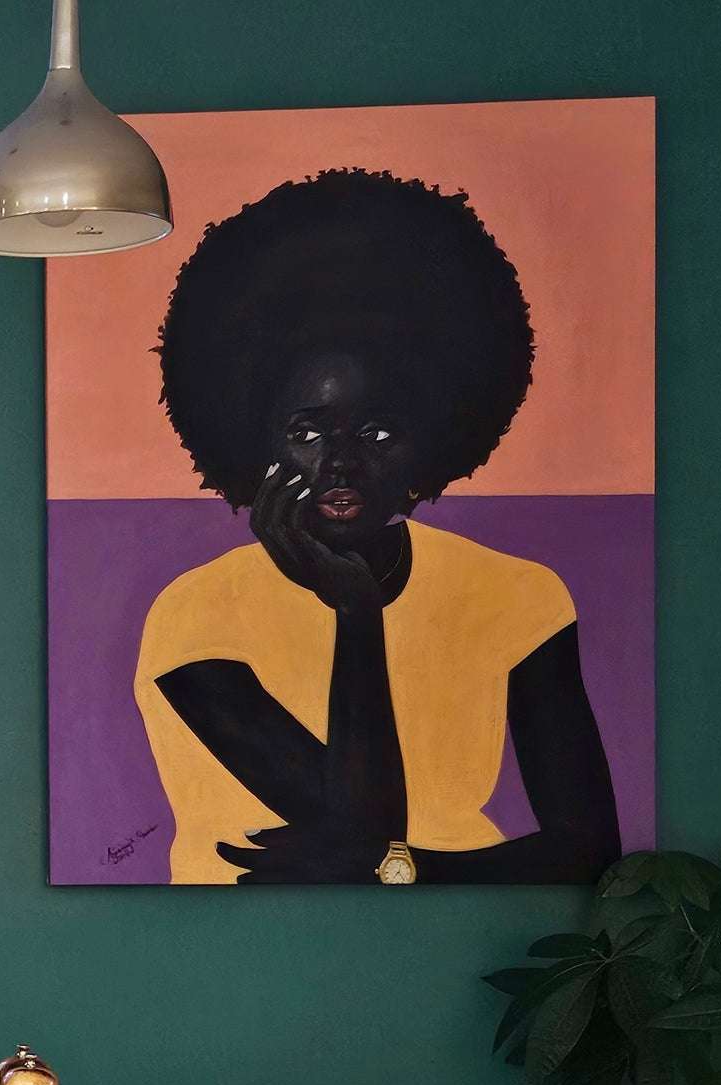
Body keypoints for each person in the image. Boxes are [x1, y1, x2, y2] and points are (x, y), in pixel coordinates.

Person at [135, 169, 618, 884]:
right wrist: (358, 612)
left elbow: (588, 852)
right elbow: (362, 825)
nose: (341, 463)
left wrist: (407, 867)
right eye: (307, 431)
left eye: (379, 431)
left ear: (435, 439)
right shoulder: (197, 614)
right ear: (259, 441)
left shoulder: (518, 596)